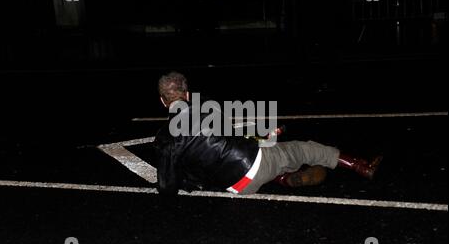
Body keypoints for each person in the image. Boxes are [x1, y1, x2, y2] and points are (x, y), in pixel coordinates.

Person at [151, 72, 382, 196]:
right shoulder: (207, 107)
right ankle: (361, 166)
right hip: (252, 163)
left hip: (234, 187)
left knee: (266, 163)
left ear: (163, 101)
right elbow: (230, 136)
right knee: (305, 149)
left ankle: (285, 179)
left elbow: (167, 187)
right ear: (188, 95)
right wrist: (267, 135)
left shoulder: (164, 140)